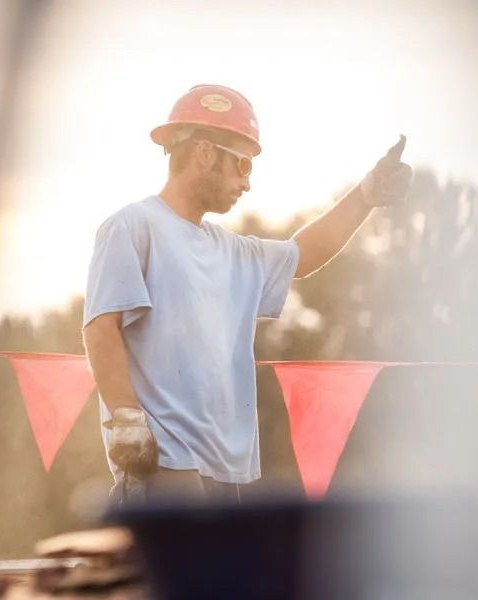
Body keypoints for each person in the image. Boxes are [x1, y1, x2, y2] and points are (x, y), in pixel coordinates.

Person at [83, 84, 412, 503]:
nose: (247, 183)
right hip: (164, 461)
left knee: (225, 571)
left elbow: (303, 254)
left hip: (224, 468)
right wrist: (126, 419)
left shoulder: (232, 251)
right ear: (204, 153)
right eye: (242, 165)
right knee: (184, 571)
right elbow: (101, 326)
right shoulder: (132, 226)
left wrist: (366, 195)